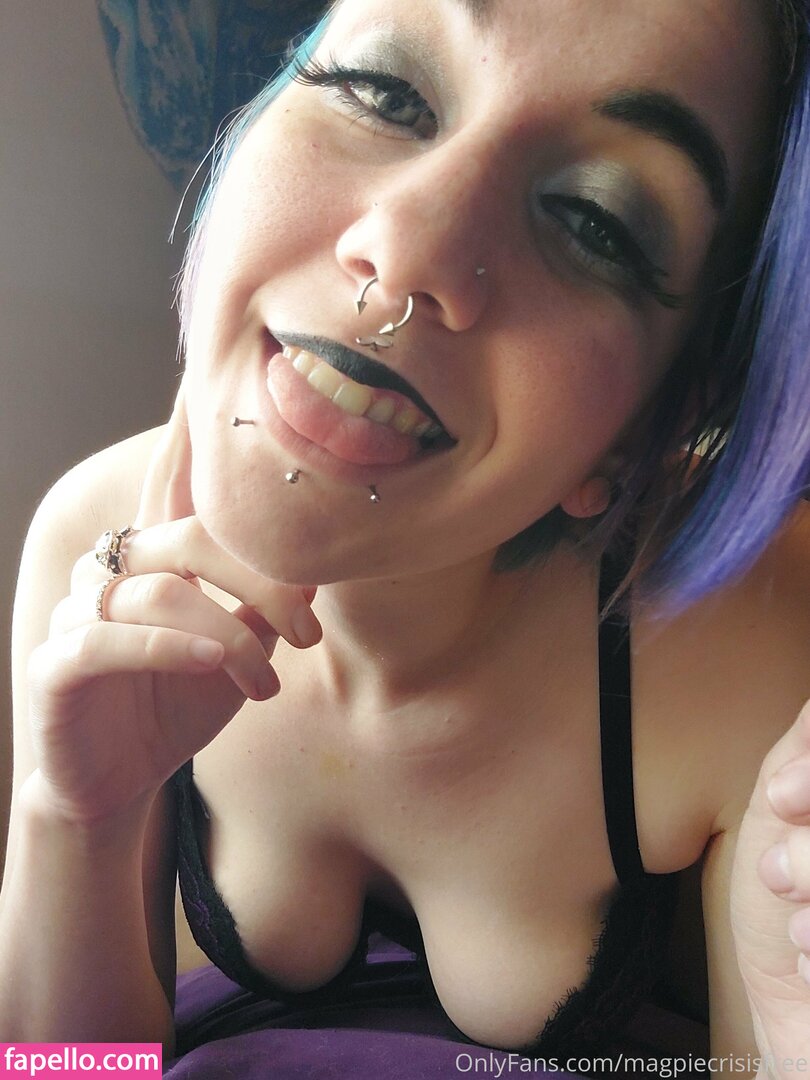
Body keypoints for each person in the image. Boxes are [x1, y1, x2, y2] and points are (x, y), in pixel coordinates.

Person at [2, 0, 810, 1071]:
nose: (406, 249)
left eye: (595, 222)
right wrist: (76, 822)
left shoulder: (753, 627)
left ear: (649, 424)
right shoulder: (95, 542)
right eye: (382, 90)